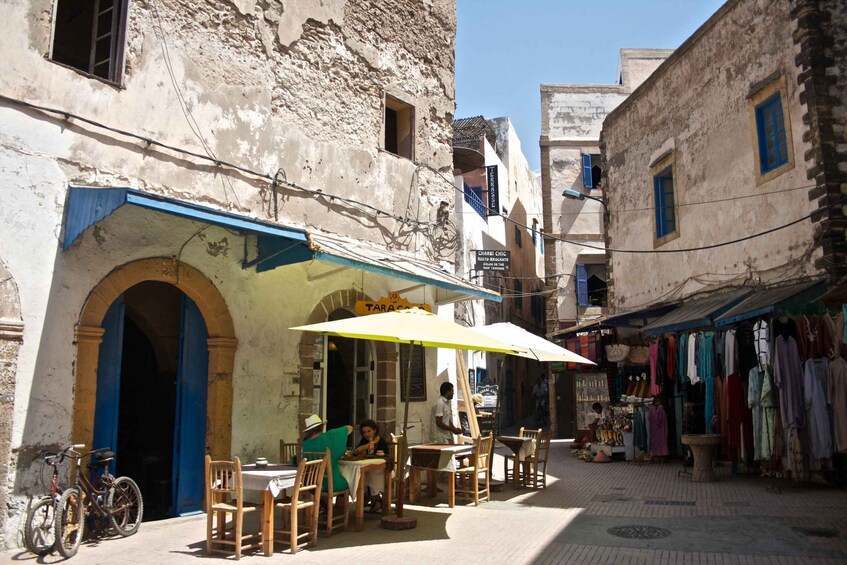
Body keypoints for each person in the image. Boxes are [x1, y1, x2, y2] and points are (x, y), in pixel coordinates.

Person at [301, 413, 352, 493]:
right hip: (332, 483)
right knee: (350, 480)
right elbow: (350, 428)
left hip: (311, 484)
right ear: (321, 427)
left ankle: (324, 503)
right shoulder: (330, 436)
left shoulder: (305, 443)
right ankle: (340, 504)